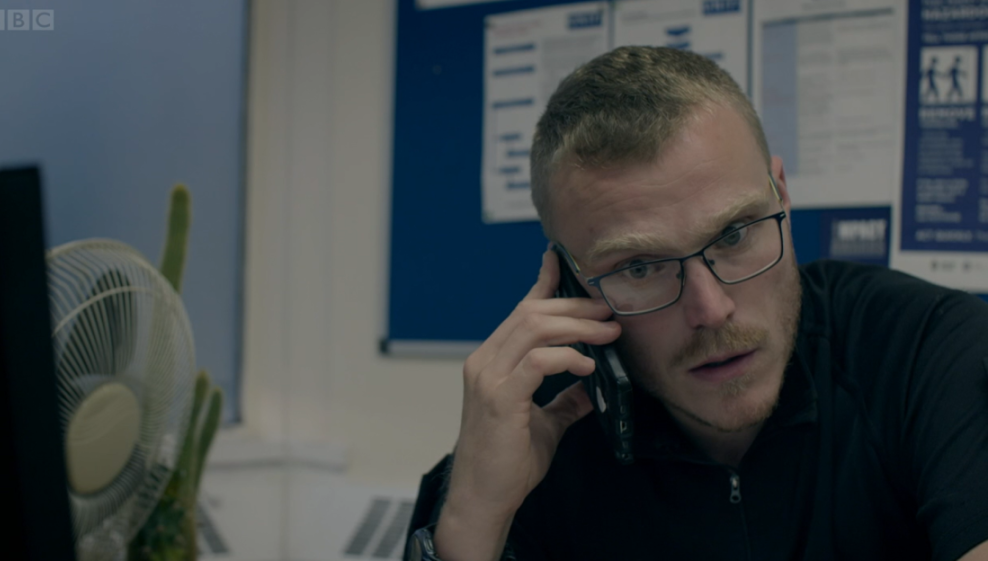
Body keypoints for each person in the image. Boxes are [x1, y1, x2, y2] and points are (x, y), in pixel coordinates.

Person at [405, 46, 988, 560]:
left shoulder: (925, 350)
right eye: (639, 267)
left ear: (781, 197)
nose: (711, 310)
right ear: (572, 282)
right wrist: (473, 518)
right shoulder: (539, 430)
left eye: (734, 235)